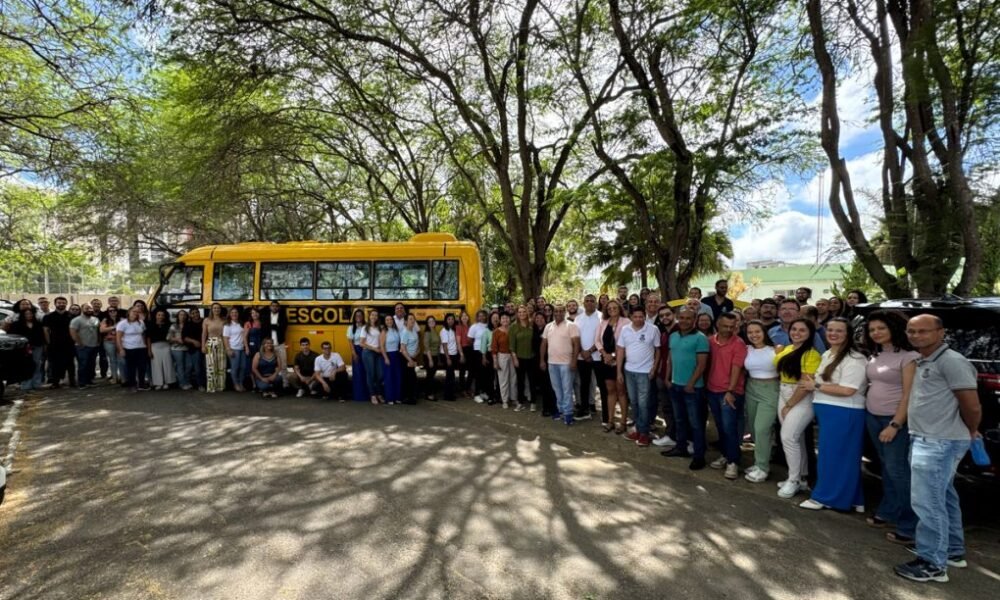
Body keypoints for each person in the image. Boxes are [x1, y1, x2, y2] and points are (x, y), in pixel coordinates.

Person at [893, 314, 980, 583]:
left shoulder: (952, 361)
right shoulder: (925, 359)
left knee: (927, 502)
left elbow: (972, 405)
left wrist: (970, 429)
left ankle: (932, 563)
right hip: (927, 438)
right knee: (942, 497)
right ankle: (952, 551)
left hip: (939, 441)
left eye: (923, 331)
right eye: (911, 331)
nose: (916, 336)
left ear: (941, 332)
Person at [798, 317, 868, 512]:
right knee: (838, 456)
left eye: (839, 331)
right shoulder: (828, 353)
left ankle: (826, 497)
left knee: (834, 457)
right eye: (830, 330)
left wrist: (816, 385)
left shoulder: (855, 358)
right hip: (830, 412)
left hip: (844, 412)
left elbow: (848, 390)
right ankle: (853, 498)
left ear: (848, 334)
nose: (833, 334)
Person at [863, 311, 919, 543]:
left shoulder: (909, 357)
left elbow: (910, 394)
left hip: (893, 421)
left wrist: (896, 423)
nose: (875, 333)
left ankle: (909, 526)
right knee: (886, 467)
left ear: (894, 328)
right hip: (872, 416)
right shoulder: (876, 355)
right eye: (872, 329)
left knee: (899, 471)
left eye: (881, 328)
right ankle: (888, 511)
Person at [775, 318, 823, 499]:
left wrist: (789, 405)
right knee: (797, 438)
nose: (797, 333)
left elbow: (805, 384)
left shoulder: (812, 354)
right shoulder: (787, 349)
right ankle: (802, 478)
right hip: (783, 391)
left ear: (810, 333)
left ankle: (793, 480)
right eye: (794, 329)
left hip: (800, 398)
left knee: (788, 437)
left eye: (802, 330)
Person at [661, 308, 710, 470]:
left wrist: (691, 383)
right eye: (681, 318)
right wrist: (667, 378)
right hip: (675, 385)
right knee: (680, 420)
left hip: (693, 389)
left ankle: (699, 455)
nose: (684, 321)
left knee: (696, 424)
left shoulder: (700, 338)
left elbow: (702, 364)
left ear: (694, 319)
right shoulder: (673, 336)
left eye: (688, 318)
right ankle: (681, 448)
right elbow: (670, 360)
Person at [706, 312, 748, 480]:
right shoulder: (710, 341)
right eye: (725, 326)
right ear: (717, 324)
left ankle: (733, 461)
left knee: (730, 428)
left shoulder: (739, 344)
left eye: (732, 327)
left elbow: (737, 369)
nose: (729, 329)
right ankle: (725, 455)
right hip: (712, 389)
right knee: (720, 426)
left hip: (730, 392)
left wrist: (730, 391)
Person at [617, 306, 661, 447]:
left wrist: (654, 368)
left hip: (645, 372)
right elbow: (620, 351)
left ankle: (644, 433)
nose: (638, 319)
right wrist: (619, 371)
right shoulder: (625, 330)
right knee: (634, 402)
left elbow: (658, 350)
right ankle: (638, 429)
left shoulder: (653, 329)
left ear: (645, 316)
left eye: (641, 316)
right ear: (630, 317)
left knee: (644, 404)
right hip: (629, 371)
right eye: (635, 317)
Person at [743, 320, 780, 483]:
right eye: (750, 332)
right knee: (753, 428)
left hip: (771, 389)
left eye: (757, 331)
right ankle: (760, 461)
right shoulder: (746, 349)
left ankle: (763, 467)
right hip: (751, 388)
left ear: (764, 332)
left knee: (762, 428)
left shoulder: (776, 349)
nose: (754, 335)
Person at [540, 304, 580, 425]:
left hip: (566, 363)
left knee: (567, 389)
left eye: (561, 311)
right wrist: (542, 360)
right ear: (553, 313)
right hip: (552, 363)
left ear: (564, 312)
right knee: (557, 389)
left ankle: (568, 414)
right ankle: (561, 410)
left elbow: (576, 344)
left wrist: (574, 360)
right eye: (556, 311)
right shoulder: (548, 326)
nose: (558, 313)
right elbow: (543, 344)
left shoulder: (571, 325)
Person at [596, 300, 628, 433]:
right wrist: (605, 354)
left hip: (620, 361)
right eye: (609, 308)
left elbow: (626, 343)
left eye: (615, 308)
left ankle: (623, 422)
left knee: (621, 391)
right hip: (606, 362)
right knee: (610, 391)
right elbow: (597, 340)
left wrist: (613, 356)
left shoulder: (626, 322)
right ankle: (610, 421)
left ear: (619, 308)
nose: (612, 310)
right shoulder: (603, 323)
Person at [574, 294, 602, 419]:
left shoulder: (602, 317)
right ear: (583, 303)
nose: (589, 303)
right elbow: (575, 337)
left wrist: (589, 352)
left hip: (597, 357)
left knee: (601, 384)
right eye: (587, 301)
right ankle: (584, 409)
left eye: (592, 301)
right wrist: (582, 352)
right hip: (582, 357)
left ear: (596, 303)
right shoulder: (578, 318)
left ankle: (604, 413)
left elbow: (602, 338)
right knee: (584, 384)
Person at [10, 308, 46, 390]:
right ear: (23, 315)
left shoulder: (38, 324)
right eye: (27, 314)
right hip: (23, 348)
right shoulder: (16, 324)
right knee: (25, 366)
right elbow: (13, 336)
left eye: (31, 313)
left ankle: (37, 384)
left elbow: (42, 336)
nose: (29, 315)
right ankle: (26, 385)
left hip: (37, 346)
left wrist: (44, 346)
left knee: (37, 365)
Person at [43, 297, 74, 388]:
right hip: (54, 343)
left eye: (63, 303)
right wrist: (48, 342)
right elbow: (45, 330)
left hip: (69, 343)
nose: (61, 304)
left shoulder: (71, 316)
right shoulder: (48, 316)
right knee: (55, 364)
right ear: (55, 304)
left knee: (70, 363)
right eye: (59, 303)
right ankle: (55, 382)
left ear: (66, 304)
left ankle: (72, 381)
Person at [117, 306, 150, 392]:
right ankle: (132, 385)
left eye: (138, 312)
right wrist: (121, 349)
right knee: (131, 368)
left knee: (142, 367)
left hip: (141, 347)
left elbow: (143, 334)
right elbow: (118, 338)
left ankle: (141, 384)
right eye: (134, 311)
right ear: (129, 312)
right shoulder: (122, 323)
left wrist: (145, 346)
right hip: (129, 348)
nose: (135, 313)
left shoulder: (141, 322)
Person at [509, 306, 536, 411]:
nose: (522, 314)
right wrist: (514, 358)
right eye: (519, 312)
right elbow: (511, 345)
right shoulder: (513, 327)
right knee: (520, 381)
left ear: (527, 312)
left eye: (524, 311)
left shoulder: (532, 324)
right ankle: (520, 402)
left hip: (532, 357)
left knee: (532, 381)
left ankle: (533, 402)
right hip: (519, 358)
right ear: (517, 313)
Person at [69, 303, 101, 388]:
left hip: (94, 346)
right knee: (83, 365)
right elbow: (73, 332)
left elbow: (98, 331)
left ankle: (89, 381)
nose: (89, 310)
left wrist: (98, 341)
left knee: (91, 365)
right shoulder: (76, 320)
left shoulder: (96, 319)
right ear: (82, 309)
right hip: (82, 347)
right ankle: (82, 383)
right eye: (87, 308)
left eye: (90, 308)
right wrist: (80, 343)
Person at [531, 312, 557, 416]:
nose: (539, 320)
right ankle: (546, 407)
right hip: (536, 360)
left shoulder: (549, 329)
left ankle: (552, 407)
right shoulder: (534, 331)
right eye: (537, 318)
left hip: (548, 359)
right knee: (543, 385)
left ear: (545, 319)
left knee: (550, 385)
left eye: (541, 318)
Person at [491, 313, 518, 409]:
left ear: (509, 319)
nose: (505, 319)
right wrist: (495, 361)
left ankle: (514, 398)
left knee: (513, 378)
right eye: (503, 318)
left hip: (512, 355)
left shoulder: (513, 330)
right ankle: (505, 400)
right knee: (503, 379)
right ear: (500, 320)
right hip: (501, 356)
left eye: (507, 318)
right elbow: (494, 348)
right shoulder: (496, 332)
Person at [202, 303, 227, 393]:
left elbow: (226, 334)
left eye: (218, 308)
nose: (216, 310)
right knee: (211, 366)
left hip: (221, 343)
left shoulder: (224, 320)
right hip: (210, 342)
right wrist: (203, 345)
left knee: (221, 366)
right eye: (215, 308)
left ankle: (220, 386)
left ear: (220, 309)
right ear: (212, 309)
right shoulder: (207, 320)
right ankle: (211, 386)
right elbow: (204, 334)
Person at [147, 309, 175, 390]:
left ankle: (167, 382)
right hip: (155, 346)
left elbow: (171, 336)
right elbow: (148, 338)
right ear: (155, 315)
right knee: (156, 365)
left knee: (167, 364)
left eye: (162, 315)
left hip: (166, 346)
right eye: (159, 315)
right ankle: (158, 383)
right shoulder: (150, 325)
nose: (160, 316)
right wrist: (149, 350)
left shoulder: (168, 325)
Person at [222, 307, 248, 392]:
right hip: (234, 348)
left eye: (236, 312)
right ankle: (236, 384)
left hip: (242, 348)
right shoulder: (227, 325)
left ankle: (241, 383)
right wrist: (228, 349)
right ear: (229, 314)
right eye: (232, 312)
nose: (234, 314)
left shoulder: (241, 323)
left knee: (243, 367)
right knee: (235, 368)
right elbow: (225, 338)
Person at [361, 310, 384, 404]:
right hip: (368, 352)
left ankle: (379, 393)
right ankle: (373, 395)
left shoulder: (380, 327)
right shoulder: (365, 328)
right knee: (371, 374)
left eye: (376, 315)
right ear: (369, 316)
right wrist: (374, 349)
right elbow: (362, 343)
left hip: (378, 353)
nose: (374, 316)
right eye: (372, 315)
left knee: (380, 374)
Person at [439, 313, 464, 401]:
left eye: (452, 319)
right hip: (447, 355)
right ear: (446, 320)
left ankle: (450, 394)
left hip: (453, 354)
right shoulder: (444, 331)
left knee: (451, 375)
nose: (451, 321)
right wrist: (448, 358)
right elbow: (445, 346)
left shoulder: (453, 330)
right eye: (449, 319)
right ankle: (447, 395)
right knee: (450, 376)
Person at [347, 309, 369, 402]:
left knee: (366, 373)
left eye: (360, 315)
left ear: (363, 317)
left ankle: (368, 395)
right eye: (357, 315)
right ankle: (359, 396)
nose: (358, 317)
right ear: (354, 317)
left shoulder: (366, 327)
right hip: (356, 350)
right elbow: (350, 342)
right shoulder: (351, 327)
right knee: (358, 373)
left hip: (366, 350)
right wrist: (354, 353)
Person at [380, 313, 402, 405]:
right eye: (387, 320)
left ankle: (397, 397)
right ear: (385, 322)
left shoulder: (396, 330)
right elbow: (381, 346)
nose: (389, 321)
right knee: (389, 378)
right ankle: (389, 398)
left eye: (391, 319)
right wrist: (386, 358)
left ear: (393, 321)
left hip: (396, 355)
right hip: (388, 355)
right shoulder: (384, 331)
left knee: (397, 377)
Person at [168, 310, 193, 390]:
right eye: (181, 315)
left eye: (184, 315)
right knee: (180, 366)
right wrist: (177, 339)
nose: (183, 316)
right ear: (178, 316)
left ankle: (187, 381)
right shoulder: (174, 326)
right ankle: (182, 383)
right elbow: (169, 337)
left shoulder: (189, 325)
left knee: (189, 365)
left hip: (187, 348)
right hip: (176, 348)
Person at [261, 300, 289, 372]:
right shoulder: (266, 316)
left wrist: (270, 326)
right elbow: (264, 327)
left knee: (283, 365)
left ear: (279, 307)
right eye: (273, 306)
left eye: (276, 306)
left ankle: (285, 383)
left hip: (280, 344)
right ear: (270, 307)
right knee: (269, 365)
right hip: (269, 345)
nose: (274, 307)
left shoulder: (283, 316)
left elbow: (282, 328)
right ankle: (273, 381)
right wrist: (276, 326)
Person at [399, 314, 421, 405]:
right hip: (406, 358)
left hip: (413, 357)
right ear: (406, 322)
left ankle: (412, 397)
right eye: (410, 319)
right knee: (409, 379)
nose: (412, 321)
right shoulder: (405, 332)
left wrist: (415, 355)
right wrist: (410, 360)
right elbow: (402, 349)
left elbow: (417, 346)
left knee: (412, 379)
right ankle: (408, 398)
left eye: (413, 319)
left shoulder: (414, 331)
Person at [183, 308, 205, 390]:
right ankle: (189, 383)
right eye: (193, 313)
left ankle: (201, 384)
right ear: (190, 315)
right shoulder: (188, 324)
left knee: (200, 367)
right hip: (192, 349)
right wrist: (194, 341)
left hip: (204, 347)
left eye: (197, 312)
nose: (195, 314)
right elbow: (184, 337)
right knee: (191, 367)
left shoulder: (204, 322)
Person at [423, 316, 442, 401]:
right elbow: (427, 347)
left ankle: (429, 392)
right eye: (429, 321)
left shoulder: (435, 331)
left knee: (431, 376)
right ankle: (428, 394)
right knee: (430, 376)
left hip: (434, 356)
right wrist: (430, 360)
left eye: (433, 321)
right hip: (428, 356)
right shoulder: (427, 333)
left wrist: (437, 358)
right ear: (427, 323)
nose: (431, 322)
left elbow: (437, 346)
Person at [456, 311, 473, 392]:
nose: (464, 317)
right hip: (463, 350)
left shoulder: (471, 327)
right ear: (460, 318)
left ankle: (468, 388)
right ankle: (463, 390)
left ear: (468, 317)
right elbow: (458, 342)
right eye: (462, 316)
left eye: (466, 315)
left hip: (471, 350)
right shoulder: (459, 327)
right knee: (462, 371)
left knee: (471, 370)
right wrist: (461, 354)